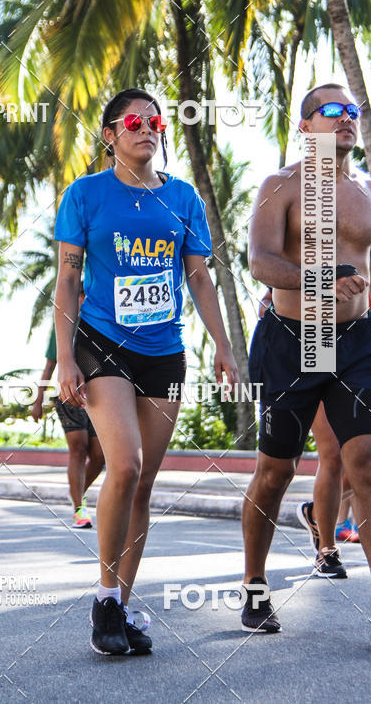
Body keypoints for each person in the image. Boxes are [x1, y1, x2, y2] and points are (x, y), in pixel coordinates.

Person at [54, 87, 239, 655]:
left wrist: (225, 348)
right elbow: (66, 280)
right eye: (132, 121)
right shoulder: (84, 195)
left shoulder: (182, 198)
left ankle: (123, 607)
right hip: (102, 341)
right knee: (126, 464)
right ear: (110, 135)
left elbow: (201, 279)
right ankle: (105, 598)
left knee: (143, 487)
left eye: (154, 120)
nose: (147, 127)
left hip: (164, 350)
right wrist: (64, 358)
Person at [242, 83, 371, 647]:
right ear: (304, 125)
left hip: (357, 341)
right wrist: (319, 278)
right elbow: (260, 260)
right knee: (276, 472)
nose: (346, 119)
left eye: (352, 112)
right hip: (292, 340)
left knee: (366, 459)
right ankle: (256, 585)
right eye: (331, 111)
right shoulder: (281, 186)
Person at [260, 287, 360, 569]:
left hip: (362, 342)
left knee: (369, 460)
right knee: (335, 453)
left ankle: (316, 513)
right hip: (319, 337)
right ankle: (327, 550)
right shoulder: (312, 246)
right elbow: (267, 297)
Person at [31, 284, 105, 528]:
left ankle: (77, 491)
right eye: (79, 296)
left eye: (85, 296)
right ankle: (79, 507)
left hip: (100, 395)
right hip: (68, 392)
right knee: (78, 447)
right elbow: (50, 365)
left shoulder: (102, 324)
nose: (82, 300)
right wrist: (38, 399)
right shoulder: (63, 325)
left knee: (99, 455)